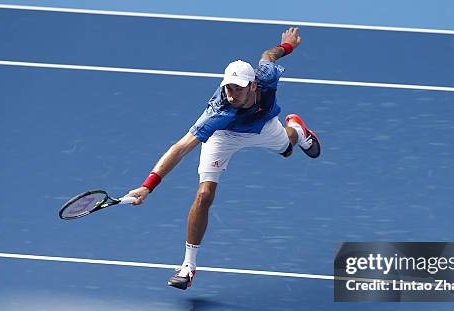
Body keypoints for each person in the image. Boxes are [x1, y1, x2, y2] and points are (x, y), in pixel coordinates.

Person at [123, 27, 321, 290]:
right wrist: (148, 186)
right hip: (224, 136)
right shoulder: (218, 113)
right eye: (228, 88)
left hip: (263, 125)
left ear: (253, 85)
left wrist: (287, 46)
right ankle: (188, 266)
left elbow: (268, 55)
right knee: (204, 195)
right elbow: (180, 147)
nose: (232, 94)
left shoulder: (266, 76)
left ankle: (296, 128)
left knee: (287, 149)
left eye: (238, 89)